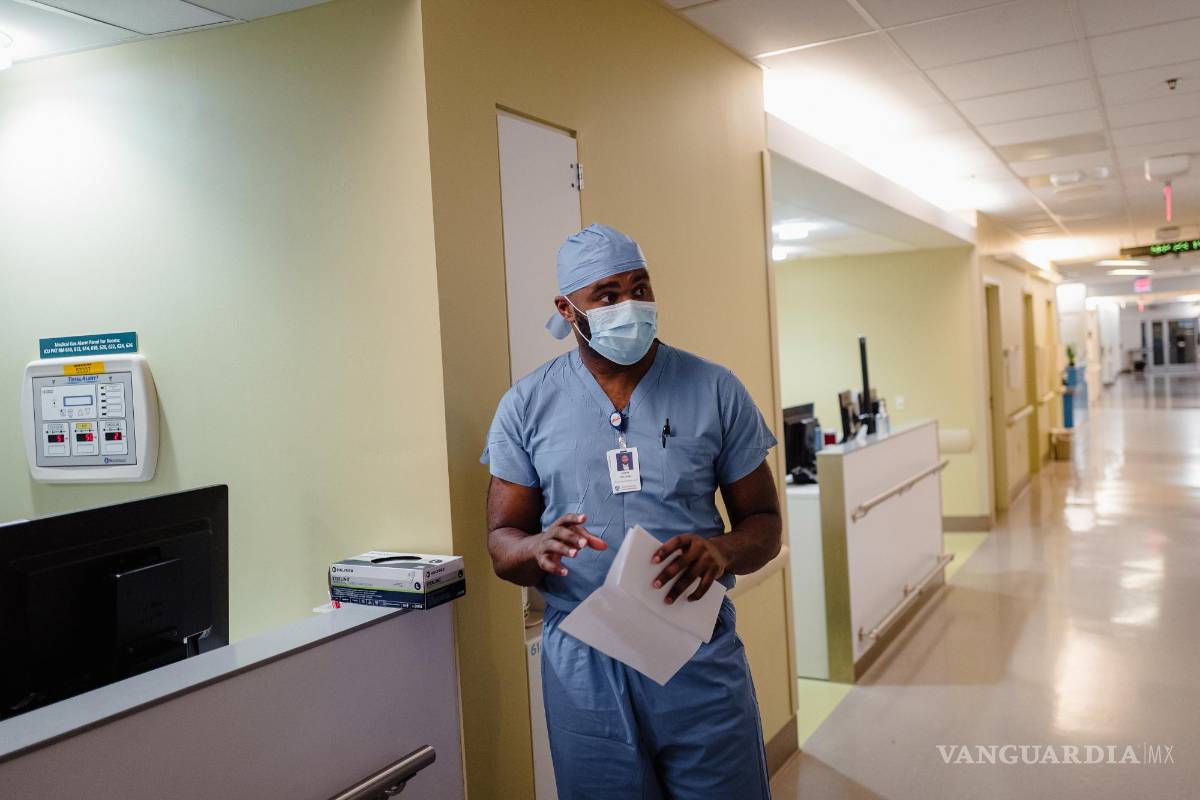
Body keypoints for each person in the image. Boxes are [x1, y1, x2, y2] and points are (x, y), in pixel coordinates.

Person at [482, 223, 782, 799]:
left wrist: (721, 550)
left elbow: (764, 524)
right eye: (609, 295)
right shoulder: (527, 405)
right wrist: (533, 548)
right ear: (568, 309)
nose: (631, 306)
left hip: (694, 652)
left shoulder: (714, 389)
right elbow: (501, 539)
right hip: (584, 664)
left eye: (640, 288)